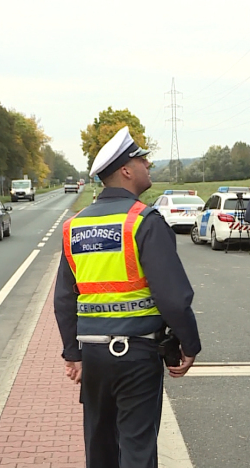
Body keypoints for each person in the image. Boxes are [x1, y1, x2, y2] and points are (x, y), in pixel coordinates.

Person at [54, 126, 202, 468]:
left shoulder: (73, 226)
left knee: (100, 448)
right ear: (125, 170)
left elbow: (64, 298)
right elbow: (173, 296)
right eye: (142, 160)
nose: (148, 165)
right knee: (136, 448)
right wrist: (189, 345)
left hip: (91, 357)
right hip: (136, 355)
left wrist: (72, 353)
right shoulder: (143, 221)